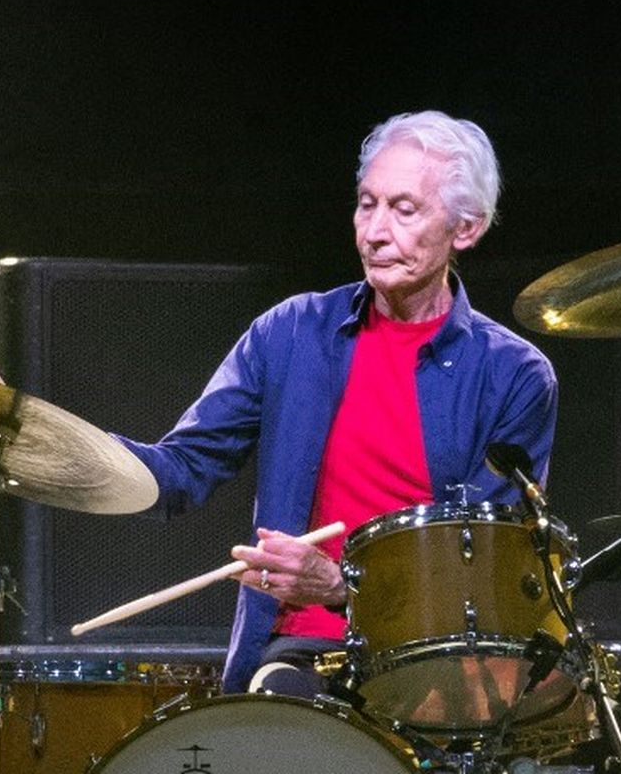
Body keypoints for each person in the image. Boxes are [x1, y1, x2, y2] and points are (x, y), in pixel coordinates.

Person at [113, 110, 558, 696]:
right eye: (365, 203)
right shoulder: (290, 334)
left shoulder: (514, 375)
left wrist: (340, 582)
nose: (374, 231)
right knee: (275, 705)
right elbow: (179, 473)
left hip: (434, 662)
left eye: (403, 209)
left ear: (466, 229)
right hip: (301, 655)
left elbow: (474, 576)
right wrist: (63, 451)